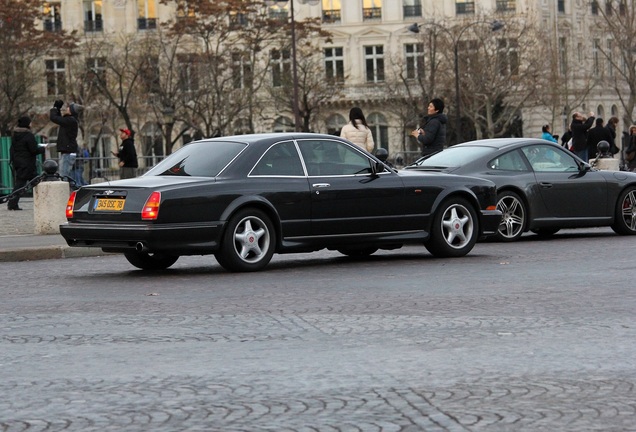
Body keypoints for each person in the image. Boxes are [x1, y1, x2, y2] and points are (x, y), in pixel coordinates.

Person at [7, 116, 47, 210]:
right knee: (32, 182)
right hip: (27, 164)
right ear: (27, 124)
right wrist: (43, 149)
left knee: (26, 182)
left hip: (18, 162)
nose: (31, 124)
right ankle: (44, 202)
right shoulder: (28, 135)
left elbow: (13, 149)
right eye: (30, 122)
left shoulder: (15, 135)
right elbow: (33, 150)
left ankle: (13, 203)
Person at [49, 100, 83, 180]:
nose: (66, 109)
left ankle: (65, 191)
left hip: (68, 153)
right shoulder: (70, 120)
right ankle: (70, 190)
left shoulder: (70, 121)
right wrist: (57, 109)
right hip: (68, 151)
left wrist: (55, 108)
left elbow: (55, 118)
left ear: (71, 111)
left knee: (64, 176)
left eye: (68, 108)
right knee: (67, 176)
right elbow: (60, 119)